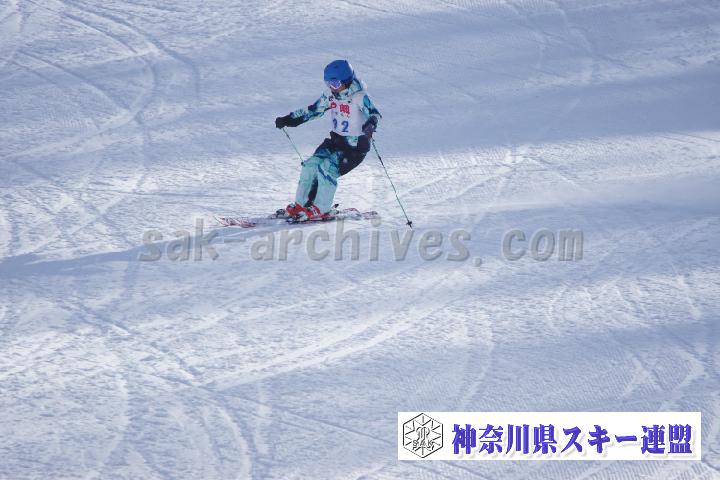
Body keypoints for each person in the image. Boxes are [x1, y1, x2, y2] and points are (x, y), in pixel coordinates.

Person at [275, 59, 382, 221]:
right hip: (336, 141)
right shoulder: (330, 95)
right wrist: (289, 119)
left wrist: (371, 123)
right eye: (328, 83)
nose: (332, 87)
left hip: (354, 148)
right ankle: (302, 204)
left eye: (335, 83)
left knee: (327, 169)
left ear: (346, 80)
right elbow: (314, 110)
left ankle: (321, 208)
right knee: (310, 165)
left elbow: (375, 113)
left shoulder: (359, 97)